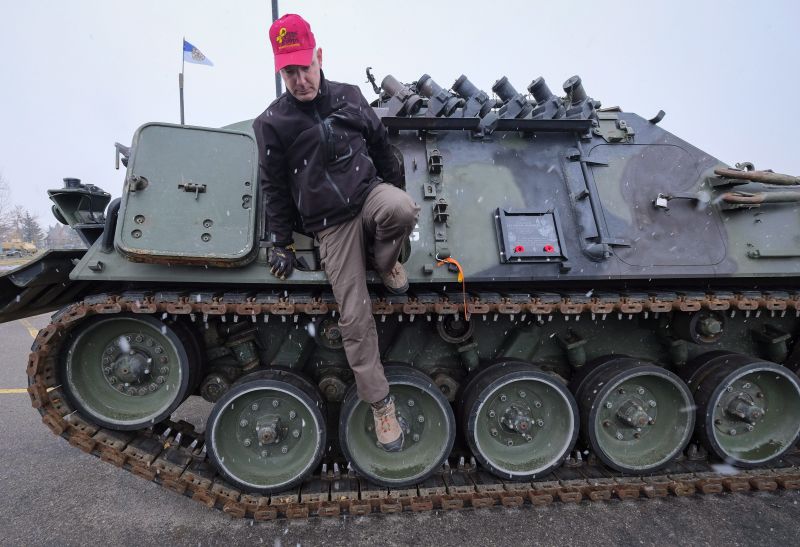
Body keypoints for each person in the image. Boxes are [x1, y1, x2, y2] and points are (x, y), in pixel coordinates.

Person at [253, 13, 420, 452]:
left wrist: (392, 186)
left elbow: (382, 146)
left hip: (368, 197)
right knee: (354, 315)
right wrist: (281, 241)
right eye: (289, 72)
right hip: (330, 224)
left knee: (402, 209)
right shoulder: (272, 123)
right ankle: (381, 404)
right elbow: (273, 187)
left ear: (319, 57)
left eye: (305, 67)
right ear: (280, 72)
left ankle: (385, 262)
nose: (300, 80)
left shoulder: (349, 97)